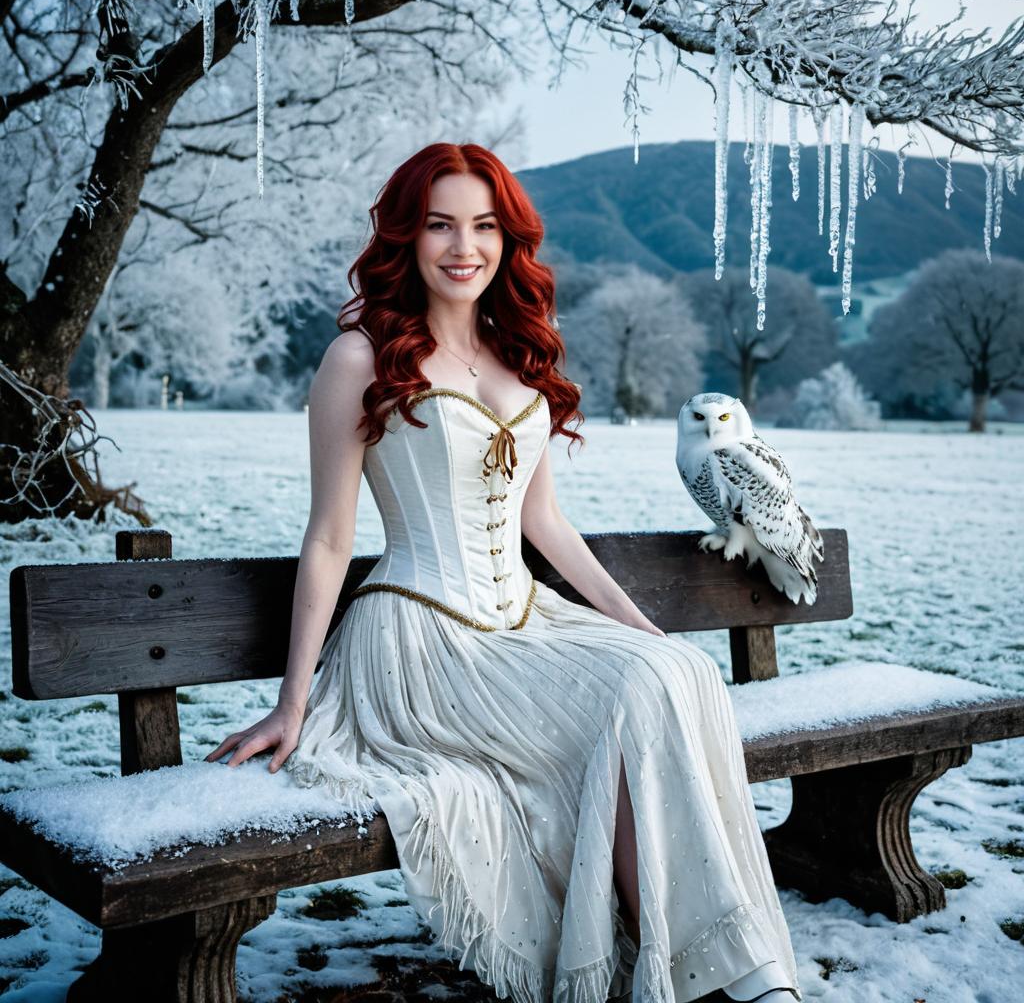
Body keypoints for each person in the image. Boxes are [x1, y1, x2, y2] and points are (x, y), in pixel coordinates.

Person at [204, 143, 802, 1003]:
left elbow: (542, 522)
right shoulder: (359, 358)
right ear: (407, 238)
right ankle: (708, 979)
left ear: (506, 240)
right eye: (440, 225)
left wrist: (636, 624)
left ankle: (726, 968)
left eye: (483, 226)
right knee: (638, 694)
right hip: (418, 637)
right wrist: (293, 703)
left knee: (674, 672)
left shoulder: (518, 355)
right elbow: (330, 538)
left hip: (518, 619)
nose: (463, 247)